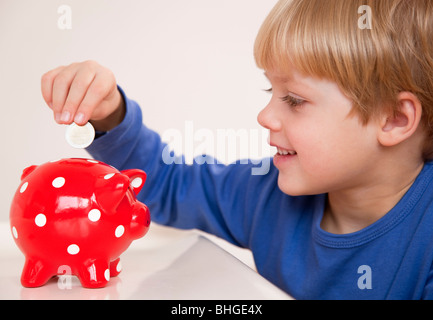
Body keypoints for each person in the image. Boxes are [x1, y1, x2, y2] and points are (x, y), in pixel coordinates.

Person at [40, 0, 433, 299]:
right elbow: (165, 183)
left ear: (395, 119)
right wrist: (110, 114)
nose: (265, 115)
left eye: (294, 99)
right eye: (270, 92)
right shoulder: (263, 193)